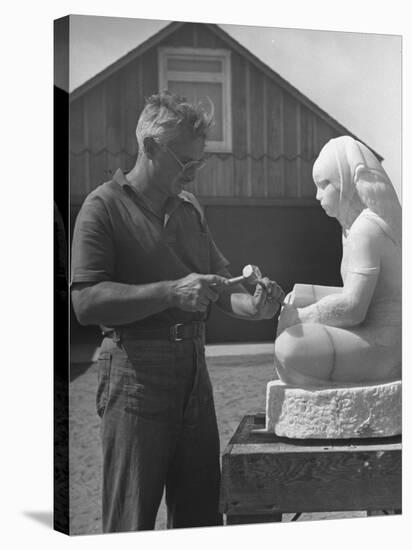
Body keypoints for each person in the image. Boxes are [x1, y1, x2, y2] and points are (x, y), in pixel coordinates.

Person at [71, 91, 284, 532]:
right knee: (131, 520)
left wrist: (258, 306)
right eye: (185, 163)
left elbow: (225, 291)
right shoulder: (102, 207)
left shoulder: (190, 211)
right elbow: (85, 302)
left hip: (194, 375)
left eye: (198, 164)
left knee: (200, 517)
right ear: (149, 147)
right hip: (134, 376)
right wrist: (171, 292)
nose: (192, 175)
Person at [274, 135, 401, 387]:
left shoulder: (366, 229)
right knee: (295, 305)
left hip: (386, 345)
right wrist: (301, 295)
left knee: (290, 346)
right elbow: (356, 294)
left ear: (345, 183)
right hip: (374, 332)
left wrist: (299, 316)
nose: (318, 195)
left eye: (324, 184)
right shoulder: (354, 228)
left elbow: (353, 308)